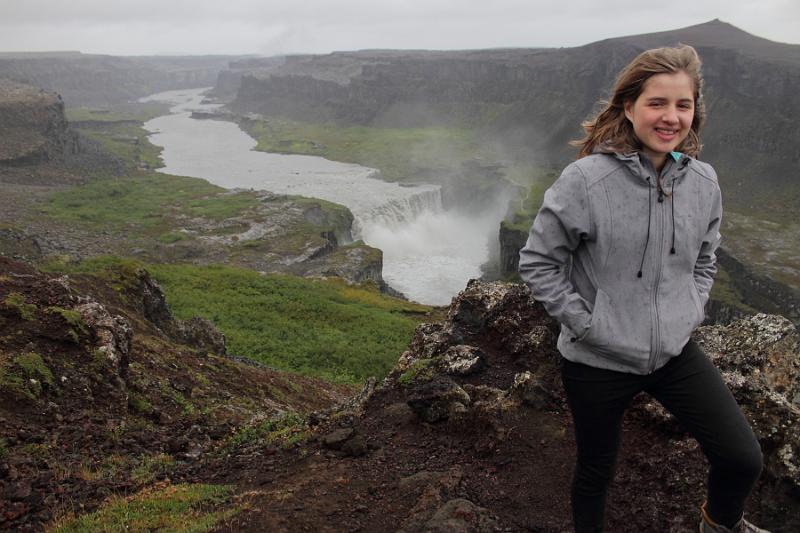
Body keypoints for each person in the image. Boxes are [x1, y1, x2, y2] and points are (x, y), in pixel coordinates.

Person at [518, 45, 767, 532]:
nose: (671, 117)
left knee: (742, 458)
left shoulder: (704, 181)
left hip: (673, 350)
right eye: (657, 103)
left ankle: (719, 526)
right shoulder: (586, 180)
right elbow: (538, 261)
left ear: (695, 112)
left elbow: (705, 257)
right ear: (628, 106)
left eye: (683, 104)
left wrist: (691, 309)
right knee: (596, 471)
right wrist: (589, 324)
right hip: (598, 357)